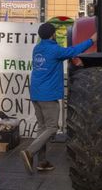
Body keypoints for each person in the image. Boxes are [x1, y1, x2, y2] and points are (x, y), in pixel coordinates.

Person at [21, 23, 96, 174]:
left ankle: (42, 162)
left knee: (42, 128)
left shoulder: (37, 49)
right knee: (52, 128)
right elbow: (74, 50)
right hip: (48, 95)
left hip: (36, 93)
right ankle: (29, 151)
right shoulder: (55, 50)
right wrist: (92, 40)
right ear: (52, 35)